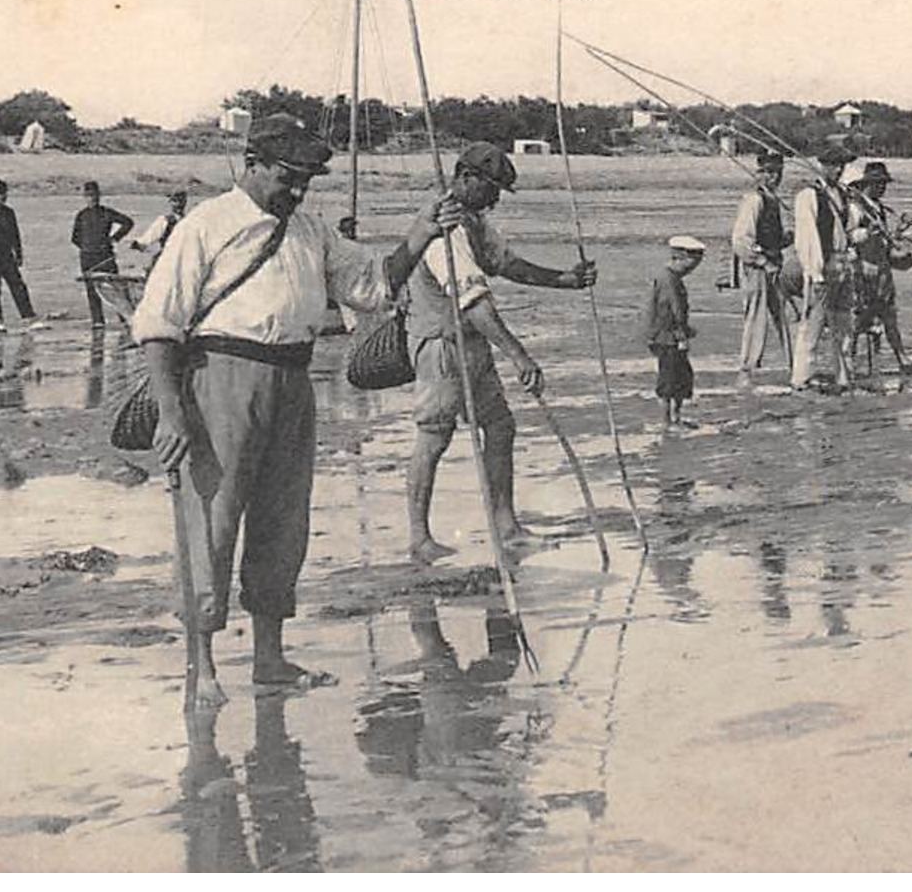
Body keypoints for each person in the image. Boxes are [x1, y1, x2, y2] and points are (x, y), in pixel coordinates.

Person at [131, 114, 462, 709]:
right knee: (211, 520)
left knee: (283, 522)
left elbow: (373, 286)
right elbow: (159, 324)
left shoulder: (311, 231)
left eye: (307, 179)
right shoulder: (206, 226)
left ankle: (270, 659)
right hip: (220, 379)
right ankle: (201, 669)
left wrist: (421, 233)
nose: (300, 190)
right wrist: (171, 413)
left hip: (294, 379)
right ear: (251, 165)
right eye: (289, 177)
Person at [405, 142, 597, 565]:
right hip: (441, 345)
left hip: (471, 342)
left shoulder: (474, 221)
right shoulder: (443, 227)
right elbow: (475, 302)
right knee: (434, 438)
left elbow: (506, 264)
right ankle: (419, 537)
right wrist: (520, 356)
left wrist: (565, 280)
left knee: (500, 426)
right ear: (465, 178)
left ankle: (506, 526)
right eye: (489, 188)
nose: (494, 199)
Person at [844, 162, 912, 373]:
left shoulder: (879, 209)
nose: (882, 188)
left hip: (882, 270)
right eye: (878, 183)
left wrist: (899, 231)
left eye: (883, 183)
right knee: (860, 318)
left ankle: (901, 358)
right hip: (865, 269)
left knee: (889, 316)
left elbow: (885, 241)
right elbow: (848, 238)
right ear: (866, 184)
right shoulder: (855, 208)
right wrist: (868, 232)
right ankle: (848, 359)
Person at [791, 147, 854, 392]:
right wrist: (815, 273)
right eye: (833, 165)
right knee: (813, 326)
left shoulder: (841, 194)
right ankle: (801, 379)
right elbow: (807, 238)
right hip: (823, 266)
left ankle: (843, 376)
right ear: (821, 166)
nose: (838, 170)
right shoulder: (809, 196)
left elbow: (844, 231)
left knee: (844, 324)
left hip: (842, 265)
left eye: (841, 166)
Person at [731, 151, 793, 385]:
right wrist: (762, 262)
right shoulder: (754, 200)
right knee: (756, 318)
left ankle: (793, 364)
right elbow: (741, 240)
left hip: (774, 265)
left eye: (777, 173)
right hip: (757, 269)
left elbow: (771, 237)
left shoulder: (772, 200)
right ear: (759, 173)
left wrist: (789, 237)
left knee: (784, 317)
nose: (773, 177)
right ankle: (747, 367)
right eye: (768, 172)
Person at [645, 236, 705, 428]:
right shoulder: (668, 280)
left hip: (669, 335)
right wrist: (681, 334)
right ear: (679, 257)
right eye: (691, 264)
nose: (692, 269)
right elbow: (669, 311)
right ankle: (667, 421)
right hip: (667, 337)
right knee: (670, 379)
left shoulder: (671, 277)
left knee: (682, 376)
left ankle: (675, 417)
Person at [0, 180, 46, 333]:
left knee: (18, 287)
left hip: (7, 256)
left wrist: (19, 254)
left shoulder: (9, 213)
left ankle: (28, 317)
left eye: (4, 194)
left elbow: (15, 235)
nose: (1, 197)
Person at [71, 180, 136, 329]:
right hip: (87, 257)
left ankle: (125, 318)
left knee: (116, 287)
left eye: (94, 195)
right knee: (92, 290)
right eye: (88, 195)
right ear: (84, 197)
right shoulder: (81, 215)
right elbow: (74, 238)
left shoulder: (106, 212)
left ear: (99, 196)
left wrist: (114, 238)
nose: (92, 198)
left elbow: (128, 222)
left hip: (105, 256)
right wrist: (87, 247)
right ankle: (97, 321)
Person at [130, 190, 188, 272]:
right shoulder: (191, 220)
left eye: (177, 201)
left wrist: (139, 244)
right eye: (176, 201)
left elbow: (150, 236)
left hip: (169, 257)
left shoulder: (165, 220)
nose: (177, 205)